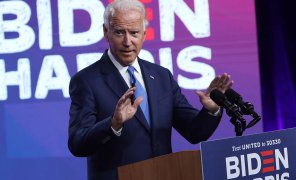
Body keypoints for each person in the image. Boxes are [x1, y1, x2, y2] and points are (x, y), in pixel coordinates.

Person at [68, 0, 233, 179]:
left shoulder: (162, 76)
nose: (127, 41)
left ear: (144, 34)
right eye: (119, 32)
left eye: (134, 33)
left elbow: (194, 132)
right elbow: (78, 143)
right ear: (106, 33)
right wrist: (113, 124)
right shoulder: (86, 81)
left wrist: (211, 110)